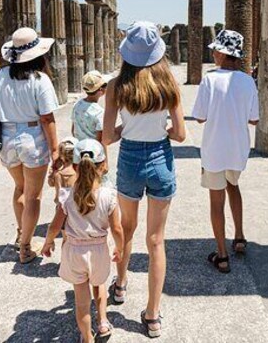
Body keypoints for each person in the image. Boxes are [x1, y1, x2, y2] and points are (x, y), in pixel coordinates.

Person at [102, 20, 186, 339]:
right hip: (160, 159)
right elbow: (179, 134)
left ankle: (121, 284)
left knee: (126, 229)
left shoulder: (115, 86)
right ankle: (152, 316)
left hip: (131, 159)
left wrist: (129, 129)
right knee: (156, 240)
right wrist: (157, 129)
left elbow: (108, 137)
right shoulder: (169, 86)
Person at [41, 139, 123, 343]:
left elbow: (54, 226)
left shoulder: (67, 197)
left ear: (74, 166)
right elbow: (117, 228)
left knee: (81, 302)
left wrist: (48, 242)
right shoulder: (109, 195)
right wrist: (119, 248)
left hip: (75, 251)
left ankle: (87, 338)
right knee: (99, 284)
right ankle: (103, 321)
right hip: (99, 251)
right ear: (103, 166)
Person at [191, 30, 259, 273]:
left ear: (221, 52)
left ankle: (221, 255)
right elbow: (254, 120)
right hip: (238, 148)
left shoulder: (209, 79)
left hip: (214, 149)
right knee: (234, 187)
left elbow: (199, 117)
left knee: (216, 200)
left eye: (214, 50)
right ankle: (239, 237)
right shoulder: (248, 81)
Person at [0, 27, 60, 264]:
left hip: (7, 137)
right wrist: (55, 150)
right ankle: (26, 248)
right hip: (32, 138)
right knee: (34, 196)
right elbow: (47, 118)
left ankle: (22, 234)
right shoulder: (40, 80)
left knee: (20, 188)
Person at [71, 71, 108, 142]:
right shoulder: (99, 112)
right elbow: (100, 140)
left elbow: (73, 130)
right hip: (93, 150)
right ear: (101, 90)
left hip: (79, 147)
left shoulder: (77, 105)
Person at [49, 137, 78, 205]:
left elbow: (50, 183)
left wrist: (53, 167)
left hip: (60, 207)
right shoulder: (78, 174)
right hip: (75, 208)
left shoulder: (57, 174)